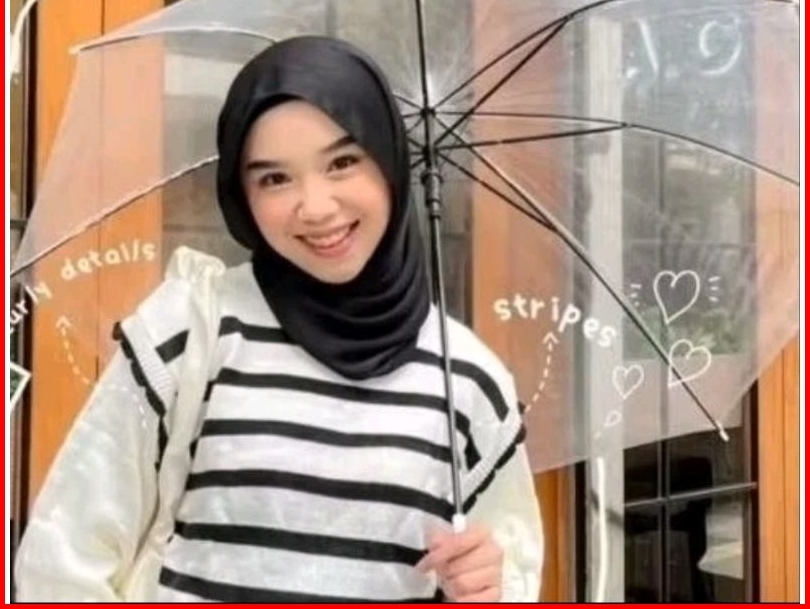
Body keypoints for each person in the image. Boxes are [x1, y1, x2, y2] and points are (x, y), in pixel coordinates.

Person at [15, 36, 544, 602]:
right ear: (240, 195)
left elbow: (510, 576)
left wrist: (489, 589)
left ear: (390, 161)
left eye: (342, 162)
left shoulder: (467, 380)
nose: (315, 207)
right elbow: (65, 561)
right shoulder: (191, 332)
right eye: (274, 178)